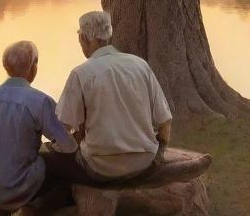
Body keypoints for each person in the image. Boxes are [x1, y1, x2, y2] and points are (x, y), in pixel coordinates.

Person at [49, 10, 173, 184]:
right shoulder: (140, 65)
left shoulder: (81, 73)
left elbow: (63, 127)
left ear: (84, 39)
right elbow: (165, 121)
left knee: (54, 159)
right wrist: (160, 151)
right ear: (108, 35)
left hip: (100, 167)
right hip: (144, 163)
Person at [0, 39, 77, 216]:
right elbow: (68, 145)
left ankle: (0, 210)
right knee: (58, 162)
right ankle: (34, 209)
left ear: (6, 66)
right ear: (33, 66)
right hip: (16, 186)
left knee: (17, 159)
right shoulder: (39, 101)